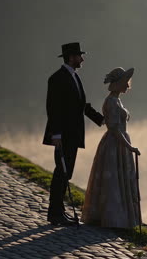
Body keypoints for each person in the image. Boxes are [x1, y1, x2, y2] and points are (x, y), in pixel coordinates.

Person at [43, 42, 104, 226]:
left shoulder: (74, 77)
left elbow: (80, 105)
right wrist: (56, 134)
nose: (82, 59)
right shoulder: (57, 78)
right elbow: (53, 108)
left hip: (73, 134)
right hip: (63, 135)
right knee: (61, 172)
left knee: (66, 172)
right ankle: (54, 212)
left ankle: (60, 210)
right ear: (71, 57)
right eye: (79, 56)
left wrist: (100, 119)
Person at [80, 67, 141, 228]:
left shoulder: (117, 100)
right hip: (115, 144)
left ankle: (123, 216)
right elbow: (113, 128)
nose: (128, 86)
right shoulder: (111, 102)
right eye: (125, 83)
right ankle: (112, 218)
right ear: (118, 84)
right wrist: (130, 147)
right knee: (113, 181)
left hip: (119, 143)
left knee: (119, 180)